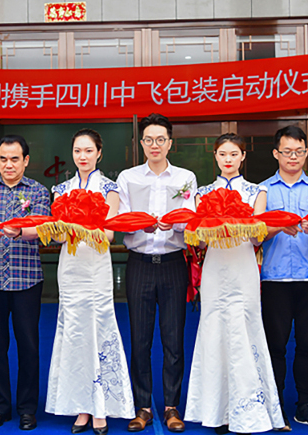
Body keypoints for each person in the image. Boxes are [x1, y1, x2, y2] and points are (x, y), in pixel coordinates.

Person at [184, 133, 283, 434]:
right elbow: (199, 240)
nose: (228, 159)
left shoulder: (257, 191)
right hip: (215, 268)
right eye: (223, 154)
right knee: (214, 330)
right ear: (215, 156)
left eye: (234, 154)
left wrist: (235, 222)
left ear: (243, 157)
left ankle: (249, 409)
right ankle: (218, 411)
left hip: (243, 266)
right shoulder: (202, 193)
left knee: (245, 330)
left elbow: (257, 236)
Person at [46, 129, 134, 435]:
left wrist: (76, 225)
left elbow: (108, 235)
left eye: (88, 151)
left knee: (99, 329)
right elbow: (58, 236)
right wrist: (67, 228)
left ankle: (100, 406)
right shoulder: (61, 188)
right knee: (73, 332)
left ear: (99, 153)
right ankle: (80, 405)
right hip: (70, 267)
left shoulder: (110, 188)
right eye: (77, 151)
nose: (82, 156)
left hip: (96, 267)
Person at [116, 113, 196, 433]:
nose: (155, 145)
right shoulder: (128, 177)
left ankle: (172, 407)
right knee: (140, 339)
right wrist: (141, 224)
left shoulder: (186, 178)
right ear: (141, 143)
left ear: (170, 143)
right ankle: (143, 407)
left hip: (174, 263)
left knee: (174, 340)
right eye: (149, 139)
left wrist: (174, 224)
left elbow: (191, 219)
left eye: (161, 139)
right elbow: (121, 217)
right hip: (139, 264)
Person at [0, 135, 51, 431]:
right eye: (3, 159)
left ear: (25, 161)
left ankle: (28, 408)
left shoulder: (38, 191)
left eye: (14, 159)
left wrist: (19, 232)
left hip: (26, 278)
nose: (8, 165)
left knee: (28, 345)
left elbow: (43, 228)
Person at [259, 126, 308, 431]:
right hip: (275, 279)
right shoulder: (263, 191)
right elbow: (255, 235)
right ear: (276, 153)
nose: (293, 157)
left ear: (306, 153)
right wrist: (276, 227)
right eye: (287, 151)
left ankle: (304, 405)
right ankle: (276, 407)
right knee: (275, 345)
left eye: (299, 151)